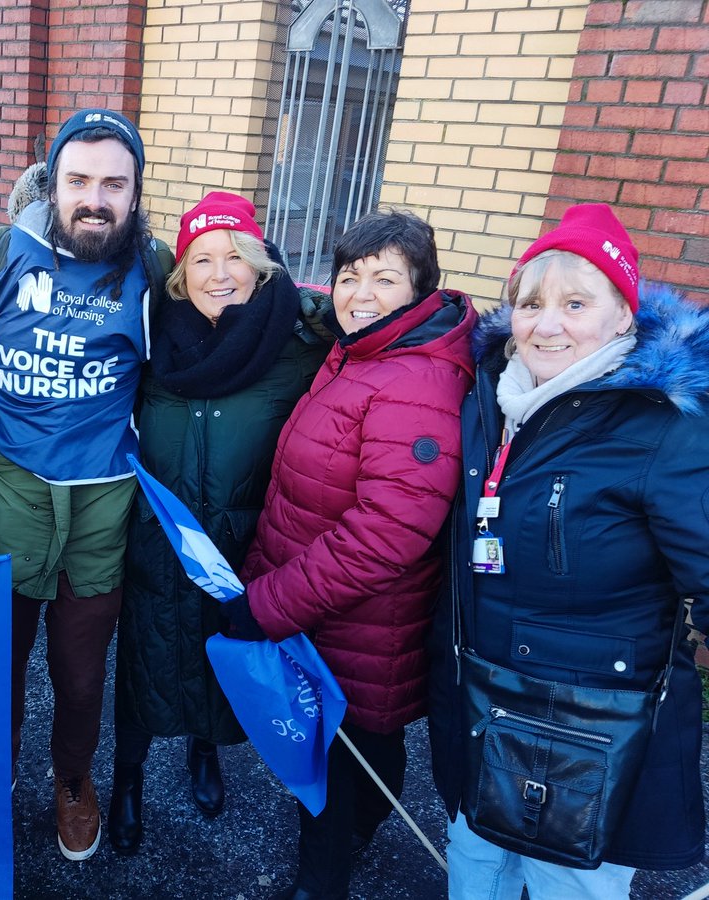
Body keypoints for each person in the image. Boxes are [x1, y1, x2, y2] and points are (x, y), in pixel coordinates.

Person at [428, 204, 709, 898]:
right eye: (531, 303)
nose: (546, 324)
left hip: (589, 736)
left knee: (568, 885)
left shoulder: (664, 429)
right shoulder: (491, 400)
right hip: (483, 706)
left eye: (575, 304)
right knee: (475, 867)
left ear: (624, 316)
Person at [224, 210, 478, 899]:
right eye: (349, 275)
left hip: (361, 621)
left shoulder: (417, 381)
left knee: (341, 761)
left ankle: (322, 881)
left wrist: (267, 603)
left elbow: (385, 534)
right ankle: (357, 832)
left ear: (422, 290)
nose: (360, 293)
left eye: (385, 278)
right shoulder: (363, 353)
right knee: (362, 747)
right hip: (326, 611)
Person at [0, 108, 170, 861]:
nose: (95, 199)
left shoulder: (158, 268)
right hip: (5, 496)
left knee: (82, 680)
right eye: (79, 181)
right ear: (52, 184)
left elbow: (237, 303)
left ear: (136, 191)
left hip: (101, 506)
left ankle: (73, 781)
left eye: (114, 184)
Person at [109, 192, 328, 853]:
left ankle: (205, 750)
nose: (220, 274)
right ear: (181, 274)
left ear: (261, 266)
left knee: (217, 657)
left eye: (236, 257)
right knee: (144, 665)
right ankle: (126, 778)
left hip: (239, 548)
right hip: (160, 541)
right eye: (202, 259)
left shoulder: (297, 347)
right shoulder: (152, 340)